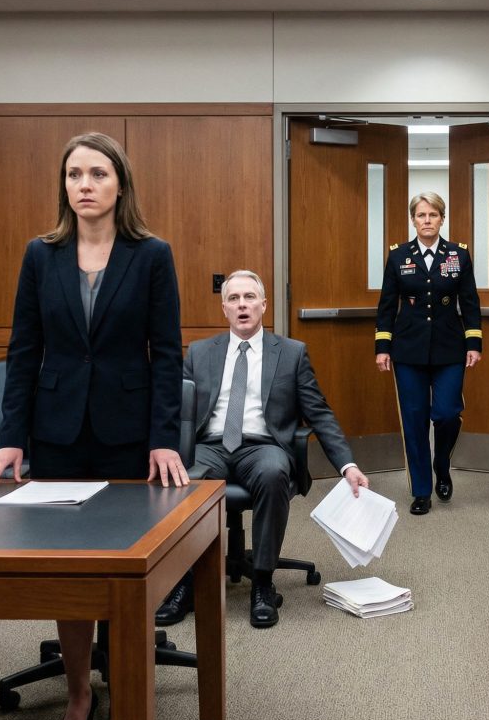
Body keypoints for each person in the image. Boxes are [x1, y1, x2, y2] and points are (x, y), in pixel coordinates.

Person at [0, 131, 188, 720]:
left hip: (128, 436)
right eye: (74, 174)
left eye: (98, 173)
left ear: (120, 184)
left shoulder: (151, 255)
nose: (85, 185)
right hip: (58, 434)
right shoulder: (41, 255)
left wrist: (163, 439)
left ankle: (124, 693)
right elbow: (24, 350)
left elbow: (166, 354)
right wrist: (12, 438)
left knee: (123, 573)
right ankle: (77, 697)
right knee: (68, 574)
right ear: (63, 185)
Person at [155, 270, 369, 630]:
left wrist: (347, 465)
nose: (242, 305)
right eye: (234, 299)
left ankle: (263, 582)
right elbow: (176, 410)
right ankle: (186, 582)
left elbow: (319, 413)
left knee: (273, 472)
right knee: (180, 479)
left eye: (250, 297)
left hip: (263, 446)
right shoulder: (201, 353)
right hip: (210, 445)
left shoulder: (291, 353)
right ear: (224, 308)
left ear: (264, 305)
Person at [375, 192, 482, 516]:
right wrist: (383, 347)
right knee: (414, 420)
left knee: (447, 413)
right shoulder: (398, 256)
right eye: (421, 215)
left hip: (450, 349)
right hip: (408, 350)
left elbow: (470, 301)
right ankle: (422, 490)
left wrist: (474, 342)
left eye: (433, 215)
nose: (427, 221)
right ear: (413, 220)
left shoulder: (458, 255)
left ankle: (442, 462)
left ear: (442, 219)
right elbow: (386, 305)